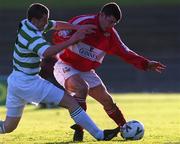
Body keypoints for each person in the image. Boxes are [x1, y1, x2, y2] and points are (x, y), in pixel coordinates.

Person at [0, 3, 121, 141]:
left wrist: (77, 27)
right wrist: (73, 39)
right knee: (71, 103)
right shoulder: (31, 36)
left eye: (46, 20)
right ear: (34, 20)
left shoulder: (28, 24)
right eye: (44, 21)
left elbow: (56, 24)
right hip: (28, 82)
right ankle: (100, 135)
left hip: (16, 80)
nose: (46, 24)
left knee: (8, 126)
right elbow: (47, 52)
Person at [52, 2, 166, 141]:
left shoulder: (111, 35)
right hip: (65, 64)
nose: (111, 25)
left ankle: (125, 128)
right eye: (110, 21)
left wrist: (146, 63)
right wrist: (71, 38)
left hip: (86, 70)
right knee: (82, 88)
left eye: (114, 23)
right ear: (102, 15)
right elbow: (58, 35)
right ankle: (79, 131)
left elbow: (125, 52)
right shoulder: (83, 22)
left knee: (108, 101)